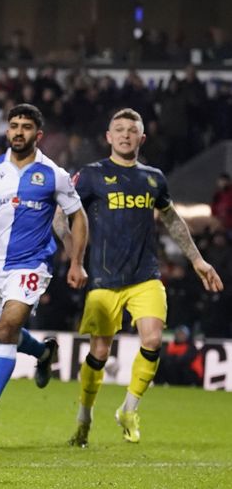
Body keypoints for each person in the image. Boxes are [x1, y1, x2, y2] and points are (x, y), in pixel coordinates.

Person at [65, 108, 223, 447]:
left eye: (131, 130)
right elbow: (63, 215)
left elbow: (172, 220)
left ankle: (129, 409)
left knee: (152, 340)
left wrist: (198, 260)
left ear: (141, 137)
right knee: (100, 352)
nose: (124, 135)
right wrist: (75, 259)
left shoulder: (153, 178)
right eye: (118, 129)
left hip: (144, 276)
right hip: (104, 279)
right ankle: (85, 415)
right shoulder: (91, 175)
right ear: (108, 137)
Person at [0, 103, 89, 441]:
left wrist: (75, 261)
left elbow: (78, 216)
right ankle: (44, 353)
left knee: (8, 327)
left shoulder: (52, 173)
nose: (18, 131)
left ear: (38, 134)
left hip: (32, 264)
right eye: (14, 125)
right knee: (1, 333)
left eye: (25, 127)